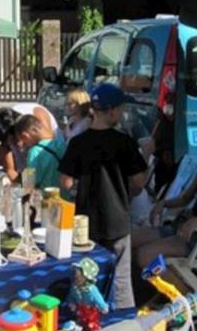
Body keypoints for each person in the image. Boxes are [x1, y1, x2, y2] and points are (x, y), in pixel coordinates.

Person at [58, 84, 149, 309]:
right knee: (120, 279)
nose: (122, 113)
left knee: (87, 277)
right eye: (121, 109)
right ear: (111, 111)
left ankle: (88, 318)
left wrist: (80, 189)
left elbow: (66, 181)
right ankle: (122, 323)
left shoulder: (78, 143)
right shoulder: (124, 142)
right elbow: (139, 182)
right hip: (117, 219)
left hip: (85, 222)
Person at [132, 127, 197, 270]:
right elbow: (184, 198)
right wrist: (163, 203)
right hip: (181, 228)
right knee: (129, 240)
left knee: (143, 255)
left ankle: (177, 291)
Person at [0, 103, 59, 182]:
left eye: (15, 140)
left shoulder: (38, 117)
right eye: (10, 144)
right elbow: (10, 170)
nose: (17, 145)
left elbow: (50, 155)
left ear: (23, 133)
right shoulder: (4, 133)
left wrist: (29, 182)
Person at [13, 114, 68, 198]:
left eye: (24, 141)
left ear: (25, 135)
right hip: (65, 199)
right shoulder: (62, 144)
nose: (24, 145)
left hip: (45, 200)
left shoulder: (34, 152)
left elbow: (28, 184)